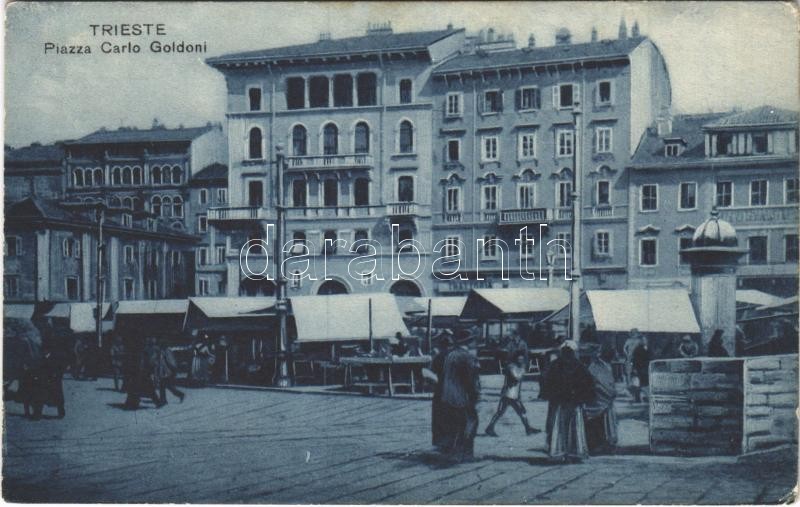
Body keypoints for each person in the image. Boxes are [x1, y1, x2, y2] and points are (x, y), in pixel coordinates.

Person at [540, 340, 595, 463]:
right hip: (572, 402)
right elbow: (588, 384)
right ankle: (573, 453)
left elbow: (546, 381)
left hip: (560, 403)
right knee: (572, 427)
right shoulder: (579, 366)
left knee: (558, 427)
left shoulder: (555, 365)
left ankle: (560, 452)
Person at [439, 333, 481, 461]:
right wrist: (475, 395)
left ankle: (455, 452)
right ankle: (467, 454)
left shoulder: (450, 355)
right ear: (469, 342)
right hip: (462, 396)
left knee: (456, 424)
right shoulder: (467, 357)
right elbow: (471, 380)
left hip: (448, 395)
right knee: (471, 422)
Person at [485, 354, 539, 437]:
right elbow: (516, 377)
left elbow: (518, 382)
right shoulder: (511, 367)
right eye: (519, 359)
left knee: (520, 411)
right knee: (502, 412)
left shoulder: (518, 367)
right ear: (515, 360)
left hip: (514, 394)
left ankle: (528, 428)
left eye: (522, 359)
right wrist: (523, 370)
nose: (521, 361)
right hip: (508, 394)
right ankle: (490, 428)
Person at [584, 345, 618, 454]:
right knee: (597, 425)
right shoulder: (597, 366)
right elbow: (599, 384)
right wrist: (610, 393)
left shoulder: (605, 365)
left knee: (603, 425)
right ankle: (596, 446)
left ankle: (604, 444)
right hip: (598, 401)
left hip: (604, 401)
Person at [429, 334, 452, 451]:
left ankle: (440, 441)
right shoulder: (453, 357)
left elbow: (431, 373)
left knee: (439, 415)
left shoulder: (438, 357)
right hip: (450, 388)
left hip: (440, 388)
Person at [631, 337, 651, 403]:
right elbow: (635, 360)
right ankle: (638, 398)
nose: (645, 341)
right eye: (644, 340)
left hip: (645, 368)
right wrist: (634, 368)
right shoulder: (638, 349)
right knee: (639, 384)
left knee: (644, 384)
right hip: (639, 368)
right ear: (641, 341)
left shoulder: (647, 348)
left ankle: (644, 398)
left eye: (646, 340)